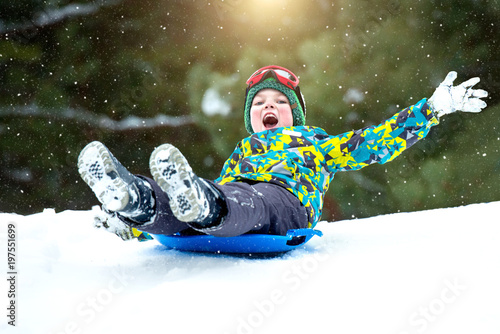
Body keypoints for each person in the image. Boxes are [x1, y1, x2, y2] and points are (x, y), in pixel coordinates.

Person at [78, 66, 488, 241]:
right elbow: (219, 186)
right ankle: (135, 200)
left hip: (285, 202)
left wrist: (433, 109)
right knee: (194, 202)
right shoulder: (242, 151)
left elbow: (375, 143)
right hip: (233, 193)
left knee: (244, 201)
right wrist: (133, 229)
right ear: (250, 117)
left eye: (279, 101)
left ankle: (203, 207)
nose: (268, 107)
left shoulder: (317, 143)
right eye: (259, 103)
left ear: (295, 113)